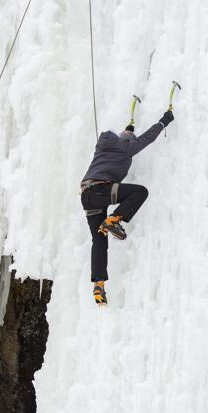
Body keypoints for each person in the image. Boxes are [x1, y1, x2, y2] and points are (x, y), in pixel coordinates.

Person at [80, 109, 175, 305]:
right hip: (101, 190)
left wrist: (128, 130)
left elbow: (125, 137)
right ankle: (113, 219)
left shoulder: (103, 146)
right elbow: (147, 138)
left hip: (87, 195)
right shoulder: (126, 148)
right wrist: (163, 122)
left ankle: (99, 285)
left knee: (99, 240)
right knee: (140, 192)